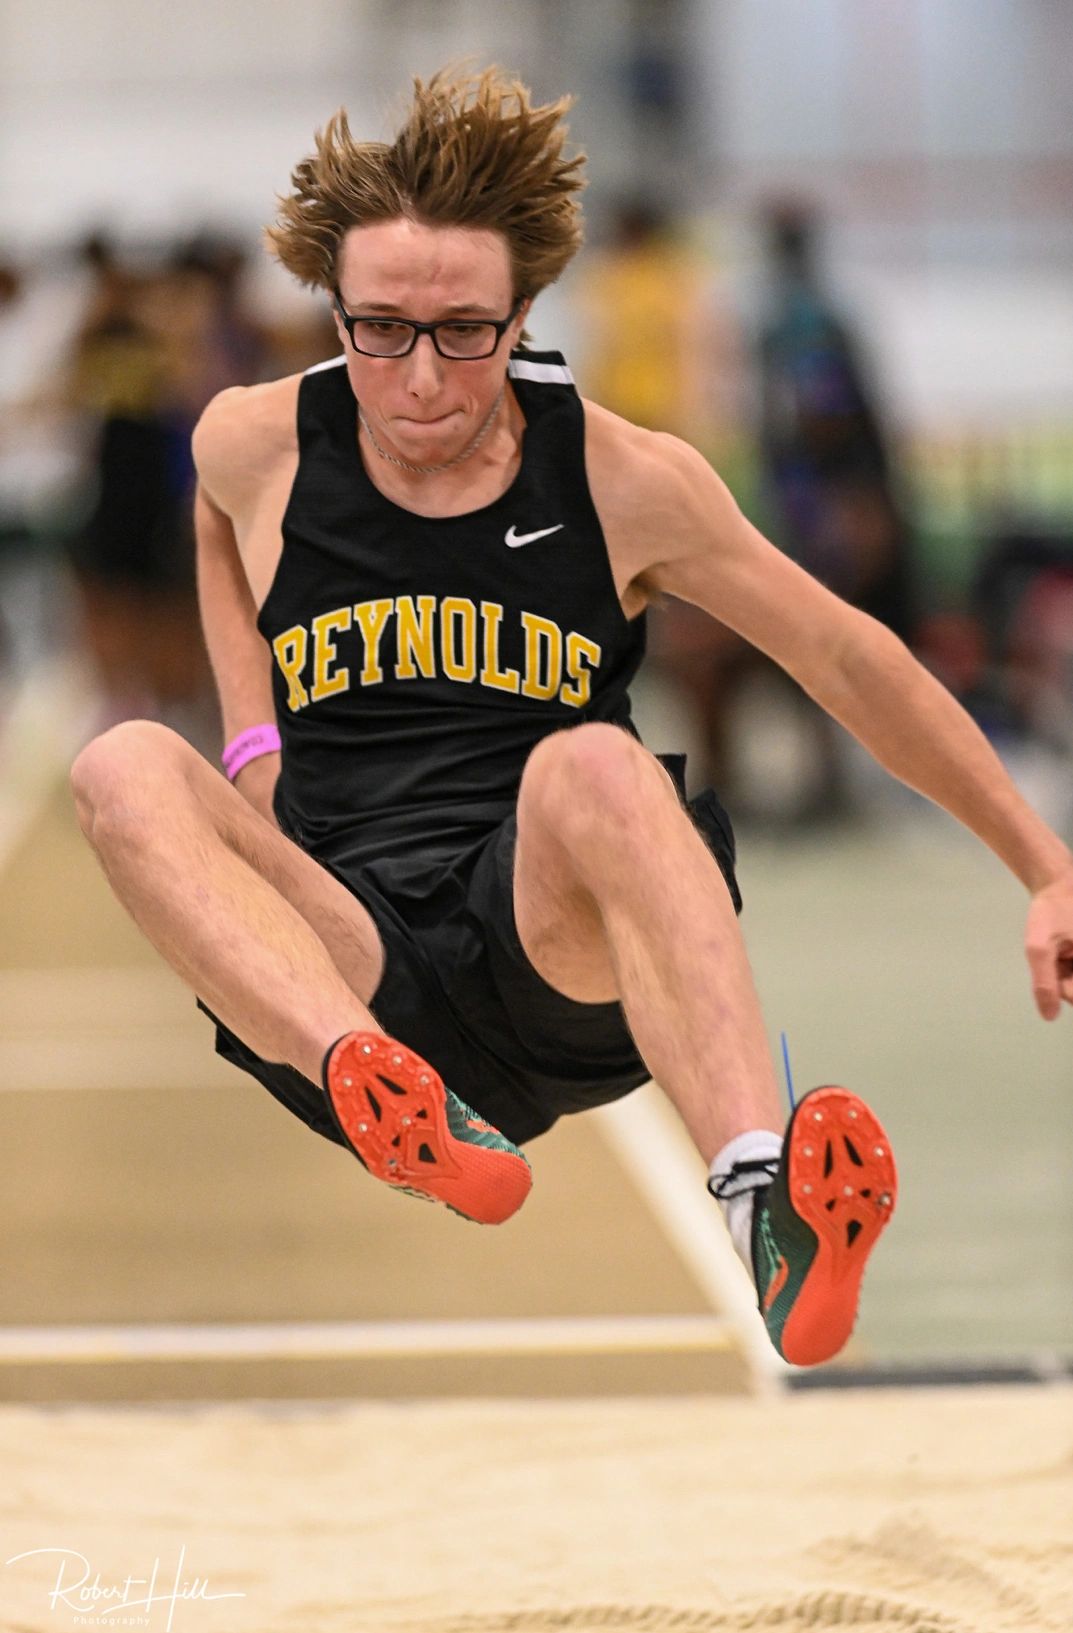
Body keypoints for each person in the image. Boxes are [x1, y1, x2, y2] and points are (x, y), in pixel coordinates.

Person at [70, 69, 1073, 1371]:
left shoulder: (621, 475)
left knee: (595, 760)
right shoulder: (254, 443)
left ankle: (763, 1200)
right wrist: (252, 739)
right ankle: (387, 1096)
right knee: (126, 760)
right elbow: (211, 523)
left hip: (547, 941)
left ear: (526, 313)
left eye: (464, 333)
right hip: (345, 959)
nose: (421, 374)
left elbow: (842, 653)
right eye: (379, 330)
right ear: (333, 311)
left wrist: (1042, 862)